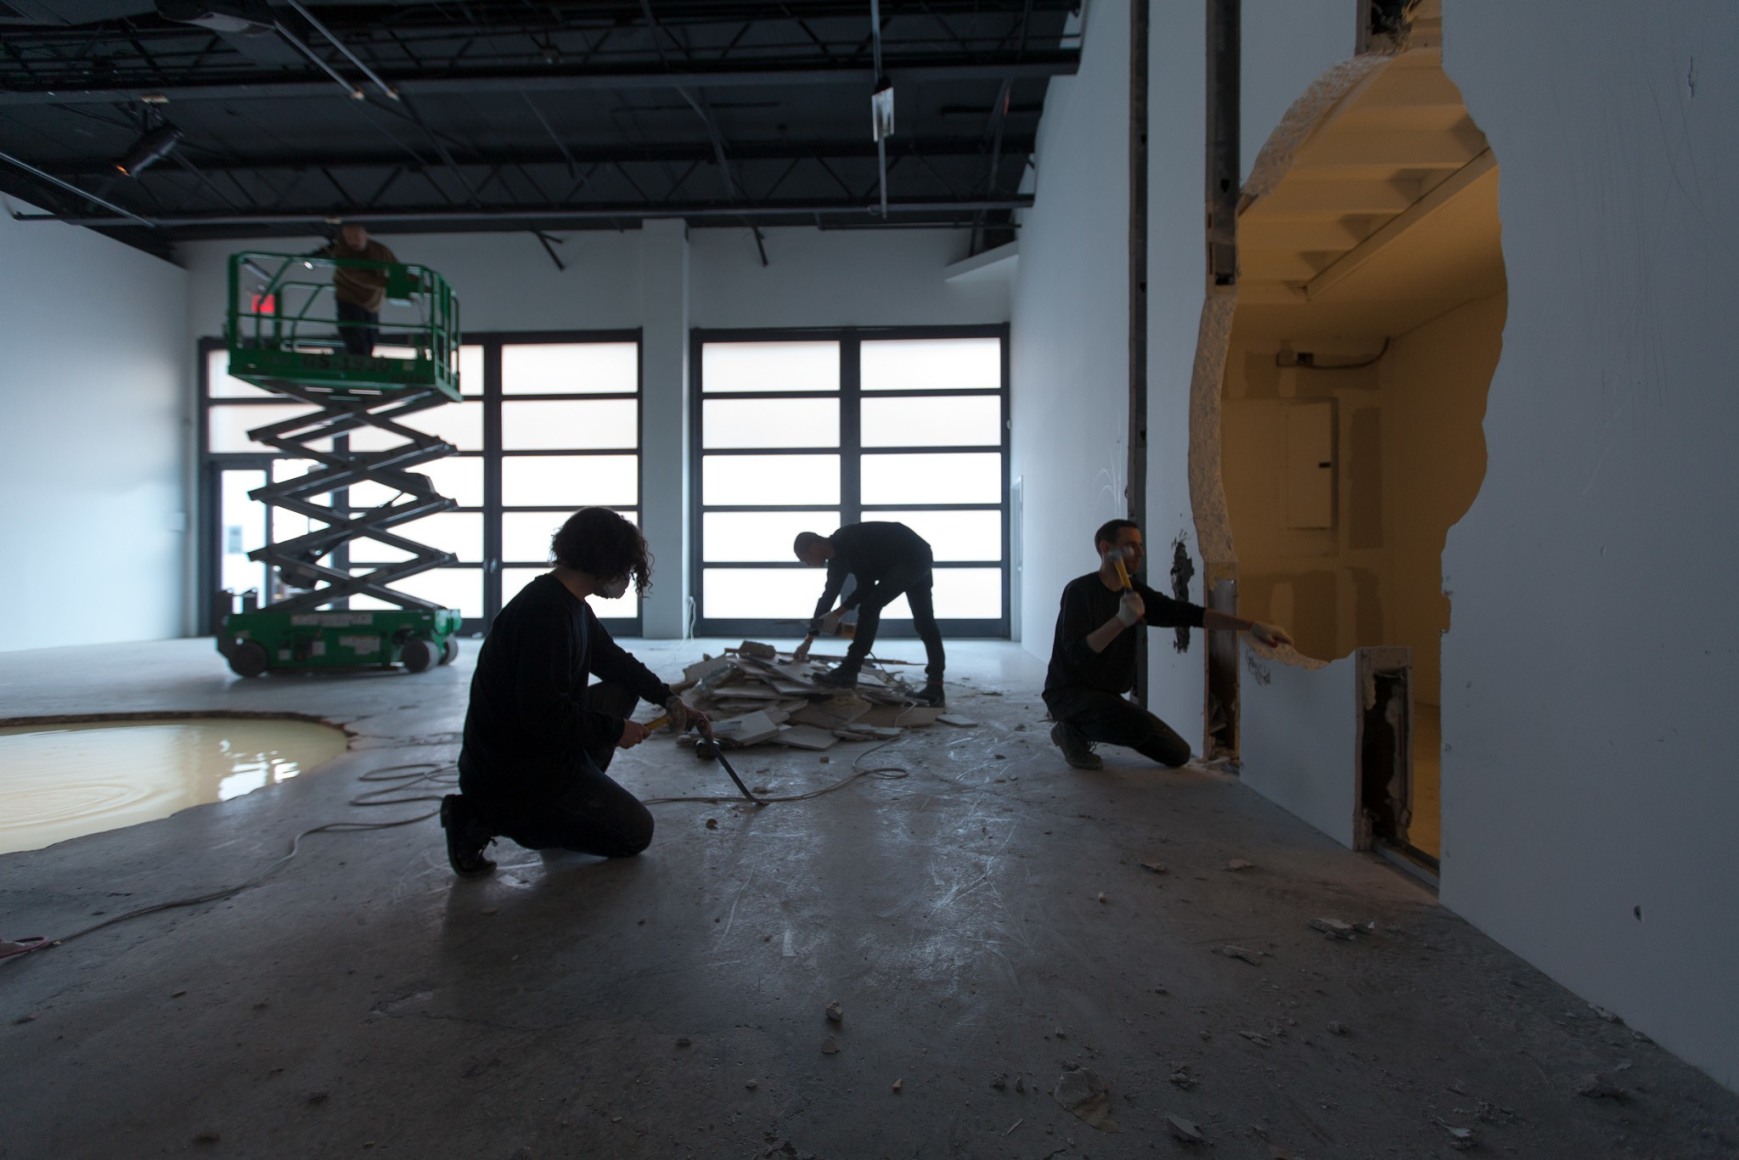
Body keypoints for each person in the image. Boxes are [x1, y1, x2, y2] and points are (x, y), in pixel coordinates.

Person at [440, 507, 709, 876]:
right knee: (634, 834)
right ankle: (482, 817)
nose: (628, 578)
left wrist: (668, 698)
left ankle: (574, 793)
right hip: (512, 772)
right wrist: (615, 731)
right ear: (607, 559)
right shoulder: (545, 615)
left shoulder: (568, 602)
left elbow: (615, 661)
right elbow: (542, 715)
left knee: (621, 689)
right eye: (627, 568)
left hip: (534, 745)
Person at [1043, 518, 1293, 771]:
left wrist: (1250, 626)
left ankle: (1093, 724)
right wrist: (1120, 621)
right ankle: (1070, 732)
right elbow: (1078, 653)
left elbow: (1184, 613)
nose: (1141, 552)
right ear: (1106, 549)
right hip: (1069, 695)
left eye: (1140, 545)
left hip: (1106, 696)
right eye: (1131, 546)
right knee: (1136, 725)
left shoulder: (1133, 591)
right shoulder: (1079, 591)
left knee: (1178, 754)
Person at [792, 521, 946, 706]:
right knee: (921, 621)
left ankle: (850, 670)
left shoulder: (848, 540)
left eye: (806, 558)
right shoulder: (836, 562)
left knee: (877, 609)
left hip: (914, 556)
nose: (808, 564)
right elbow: (828, 597)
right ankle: (935, 688)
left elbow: (866, 587)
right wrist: (808, 640)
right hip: (898, 563)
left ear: (815, 546)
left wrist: (838, 613)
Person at [315, 221, 398, 357]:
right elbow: (359, 277)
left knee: (370, 339)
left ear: (365, 235)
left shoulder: (381, 251)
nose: (352, 241)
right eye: (348, 238)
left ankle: (364, 362)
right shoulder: (341, 252)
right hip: (349, 300)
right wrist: (387, 283)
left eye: (356, 237)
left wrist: (410, 282)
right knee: (354, 337)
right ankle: (360, 362)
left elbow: (397, 269)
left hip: (372, 304)